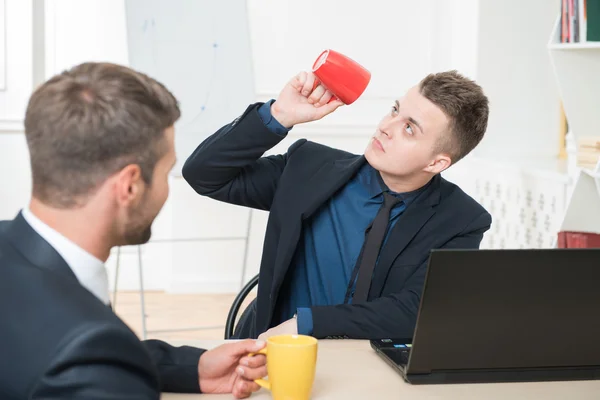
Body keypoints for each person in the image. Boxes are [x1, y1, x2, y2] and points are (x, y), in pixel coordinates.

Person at [0, 62, 266, 399]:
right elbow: (92, 358)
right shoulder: (89, 357)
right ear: (129, 186)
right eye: (167, 171)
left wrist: (190, 368)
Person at [182, 70, 492, 341]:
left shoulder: (462, 220)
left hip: (370, 370)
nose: (386, 126)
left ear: (437, 162)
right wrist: (279, 115)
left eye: (409, 128)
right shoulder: (308, 167)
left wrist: (308, 323)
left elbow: (417, 310)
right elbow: (204, 175)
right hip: (270, 351)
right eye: (394, 110)